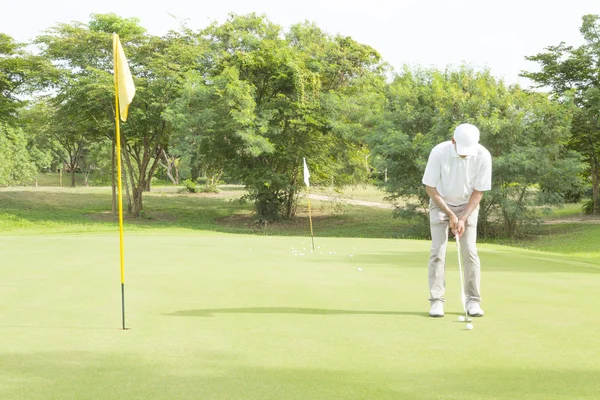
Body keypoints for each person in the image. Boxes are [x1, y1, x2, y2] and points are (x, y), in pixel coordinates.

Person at [421, 123, 492, 318]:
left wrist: (463, 217)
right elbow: (430, 189)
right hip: (440, 203)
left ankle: (473, 301)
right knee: (438, 252)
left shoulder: (483, 155)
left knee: (470, 251)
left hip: (468, 206)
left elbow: (478, 192)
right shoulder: (439, 153)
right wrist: (451, 215)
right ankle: (436, 301)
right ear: (453, 141)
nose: (465, 154)